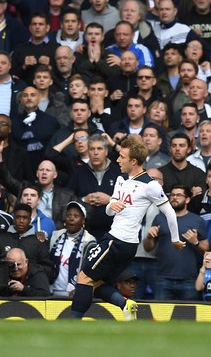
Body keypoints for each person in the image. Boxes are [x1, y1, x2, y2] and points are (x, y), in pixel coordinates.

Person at [70, 136, 186, 320]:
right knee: (96, 283)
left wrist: (175, 239)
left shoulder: (150, 185)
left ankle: (72, 323)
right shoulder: (121, 179)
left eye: (122, 157)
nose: (117, 160)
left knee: (84, 277)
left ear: (133, 161)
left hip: (117, 241)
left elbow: (170, 212)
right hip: (126, 246)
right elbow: (109, 211)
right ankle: (126, 304)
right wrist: (112, 204)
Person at [144, 184, 208, 301]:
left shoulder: (197, 220)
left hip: (189, 278)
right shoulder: (160, 218)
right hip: (163, 277)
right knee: (161, 316)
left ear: (187, 199)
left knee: (188, 317)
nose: (174, 198)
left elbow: (206, 250)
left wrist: (195, 242)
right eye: (172, 195)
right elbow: (148, 248)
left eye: (179, 195)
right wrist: (148, 237)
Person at [50, 201, 96, 297]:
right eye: (69, 215)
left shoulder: (89, 241)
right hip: (52, 290)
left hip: (75, 293)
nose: (71, 218)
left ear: (83, 220)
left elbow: (89, 270)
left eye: (76, 216)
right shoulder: (56, 235)